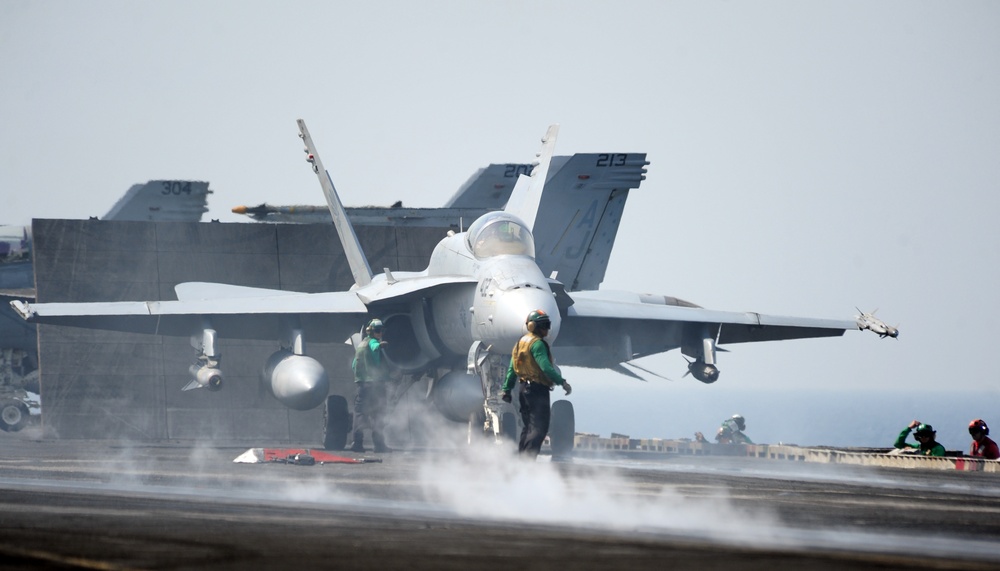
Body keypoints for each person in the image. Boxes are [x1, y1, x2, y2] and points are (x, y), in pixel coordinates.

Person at [500, 309, 572, 459]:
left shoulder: (521, 343)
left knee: (528, 427)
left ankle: (522, 460)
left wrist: (507, 389)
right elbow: (545, 367)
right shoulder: (537, 344)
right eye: (544, 325)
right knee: (539, 428)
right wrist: (561, 382)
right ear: (533, 326)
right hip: (537, 389)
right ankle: (528, 461)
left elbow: (512, 369)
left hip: (523, 389)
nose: (547, 329)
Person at [349, 318, 391, 453]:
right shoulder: (373, 342)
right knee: (379, 413)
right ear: (371, 332)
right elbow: (375, 346)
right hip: (376, 385)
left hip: (362, 385)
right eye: (378, 331)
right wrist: (381, 345)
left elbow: (354, 365)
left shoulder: (361, 344)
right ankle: (379, 445)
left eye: (381, 331)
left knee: (360, 413)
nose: (380, 333)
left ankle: (357, 443)